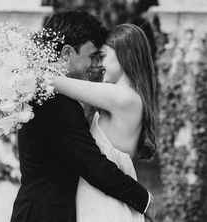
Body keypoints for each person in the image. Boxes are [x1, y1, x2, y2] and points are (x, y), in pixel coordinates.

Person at [10, 10, 155, 222]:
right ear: (68, 53)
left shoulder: (47, 94)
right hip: (46, 214)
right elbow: (93, 165)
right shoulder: (54, 101)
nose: (95, 65)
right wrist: (144, 200)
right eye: (93, 56)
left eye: (101, 57)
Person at [50, 23, 157, 222]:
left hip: (105, 205)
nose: (98, 65)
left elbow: (54, 82)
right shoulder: (127, 97)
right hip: (103, 200)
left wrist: (16, 69)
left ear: (124, 55)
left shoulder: (123, 97)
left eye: (103, 56)